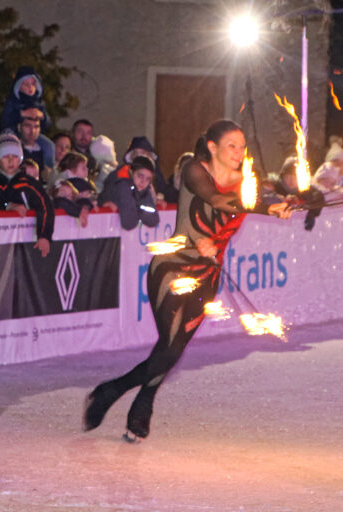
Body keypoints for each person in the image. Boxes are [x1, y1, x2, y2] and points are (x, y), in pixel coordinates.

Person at [83, 119, 292, 442]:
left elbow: (274, 194)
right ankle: (130, 400)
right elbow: (218, 200)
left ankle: (120, 391)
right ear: (213, 148)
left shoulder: (247, 181)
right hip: (172, 268)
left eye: (242, 146)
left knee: (173, 349)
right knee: (169, 346)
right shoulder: (196, 170)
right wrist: (267, 207)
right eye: (231, 146)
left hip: (209, 277)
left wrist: (301, 200)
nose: (239, 152)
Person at [0, 133, 54, 257]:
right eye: (5, 156)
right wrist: (7, 206)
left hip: (25, 243)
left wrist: (44, 235)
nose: (10, 160)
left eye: (14, 156)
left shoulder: (29, 184)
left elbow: (45, 205)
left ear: (20, 159)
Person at [0, 66, 55, 170]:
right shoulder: (12, 101)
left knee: (49, 146)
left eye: (33, 84)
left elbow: (48, 123)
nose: (30, 88)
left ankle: (49, 171)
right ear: (18, 86)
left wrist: (41, 115)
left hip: (34, 136)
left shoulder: (39, 103)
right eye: (26, 84)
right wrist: (22, 114)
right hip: (13, 134)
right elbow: (5, 120)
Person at [97, 156, 160, 231]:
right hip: (104, 232)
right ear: (131, 172)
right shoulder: (122, 185)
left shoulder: (145, 189)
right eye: (140, 176)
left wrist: (136, 208)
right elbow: (129, 223)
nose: (143, 182)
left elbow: (153, 220)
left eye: (148, 179)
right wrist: (139, 210)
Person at [121, 136, 177, 204]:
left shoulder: (157, 176)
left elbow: (166, 194)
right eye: (136, 154)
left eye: (144, 154)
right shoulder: (120, 176)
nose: (139, 157)